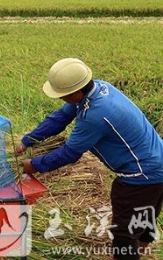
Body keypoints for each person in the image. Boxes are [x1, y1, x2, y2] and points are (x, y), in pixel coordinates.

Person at [17, 58, 163, 260]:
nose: (60, 99)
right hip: (156, 162)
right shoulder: (98, 89)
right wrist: (27, 141)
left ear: (75, 92)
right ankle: (141, 252)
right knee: (144, 216)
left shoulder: (95, 115)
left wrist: (33, 165)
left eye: (62, 95)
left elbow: (69, 153)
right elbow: (60, 118)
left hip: (140, 174)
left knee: (124, 234)